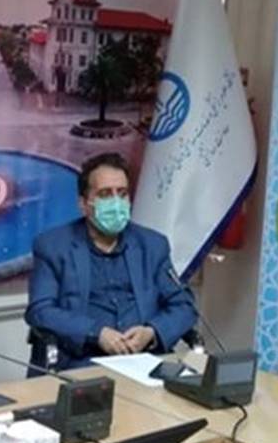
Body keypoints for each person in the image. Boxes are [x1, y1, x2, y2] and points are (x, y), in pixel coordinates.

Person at [25, 152, 196, 370]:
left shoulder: (152, 245)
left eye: (122, 193)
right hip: (81, 364)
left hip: (144, 361)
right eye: (105, 194)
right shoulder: (53, 246)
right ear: (83, 204)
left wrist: (152, 332)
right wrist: (96, 333)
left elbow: (183, 305)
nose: (116, 202)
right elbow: (40, 311)